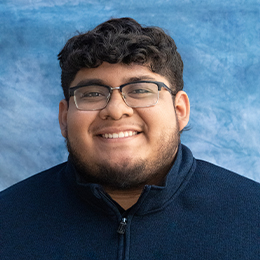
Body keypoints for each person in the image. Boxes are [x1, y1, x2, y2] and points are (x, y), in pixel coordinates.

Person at [1, 17, 260, 260]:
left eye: (140, 90)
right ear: (64, 117)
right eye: (92, 94)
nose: (115, 110)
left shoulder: (253, 217)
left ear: (180, 111)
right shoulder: (7, 221)